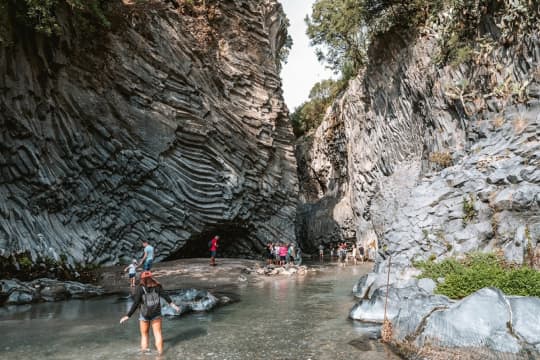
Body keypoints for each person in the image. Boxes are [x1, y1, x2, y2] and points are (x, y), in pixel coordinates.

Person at [120, 271, 180, 355]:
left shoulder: (140, 288)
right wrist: (174, 306)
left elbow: (136, 303)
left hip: (144, 314)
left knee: (144, 335)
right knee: (158, 334)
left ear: (142, 279)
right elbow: (166, 296)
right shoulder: (157, 286)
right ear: (152, 277)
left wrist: (128, 316)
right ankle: (160, 354)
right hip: (156, 313)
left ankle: (144, 356)